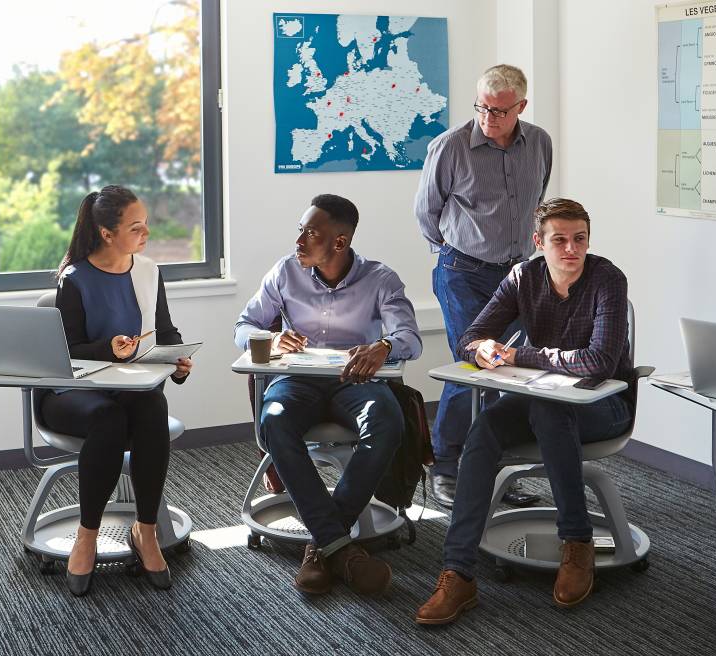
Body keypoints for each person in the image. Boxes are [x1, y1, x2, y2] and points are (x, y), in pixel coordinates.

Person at [415, 198, 634, 624]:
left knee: (551, 414)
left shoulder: (607, 279)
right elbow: (471, 337)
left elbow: (599, 362)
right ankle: (458, 573)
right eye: (559, 240)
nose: (571, 249)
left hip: (603, 405)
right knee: (482, 433)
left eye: (580, 239)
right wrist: (484, 348)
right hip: (541, 398)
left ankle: (577, 542)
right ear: (538, 242)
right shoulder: (524, 276)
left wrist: (522, 356)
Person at [235, 194, 422, 596]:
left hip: (355, 381)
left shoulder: (380, 279)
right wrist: (269, 337)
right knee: (275, 421)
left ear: (339, 242)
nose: (299, 240)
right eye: (300, 230)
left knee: (387, 422)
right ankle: (338, 546)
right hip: (296, 381)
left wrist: (384, 347)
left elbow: (409, 337)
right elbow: (244, 325)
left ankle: (322, 544)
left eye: (310, 232)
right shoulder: (285, 272)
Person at [41, 185, 193, 597]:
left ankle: (145, 531)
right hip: (73, 391)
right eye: (136, 227)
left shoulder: (148, 271)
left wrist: (177, 361)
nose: (146, 235)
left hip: (128, 385)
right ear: (107, 233)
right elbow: (66, 349)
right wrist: (106, 348)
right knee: (108, 420)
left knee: (151, 406)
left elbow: (164, 331)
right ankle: (86, 535)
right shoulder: (74, 278)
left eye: (146, 225)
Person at [414, 64, 553, 510]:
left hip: (518, 275)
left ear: (521, 107)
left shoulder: (540, 143)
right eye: (482, 108)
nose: (488, 118)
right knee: (473, 364)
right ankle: (447, 465)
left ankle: (495, 470)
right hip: (463, 273)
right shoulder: (450, 147)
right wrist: (458, 250)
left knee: (510, 370)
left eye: (499, 111)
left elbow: (537, 200)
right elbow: (426, 214)